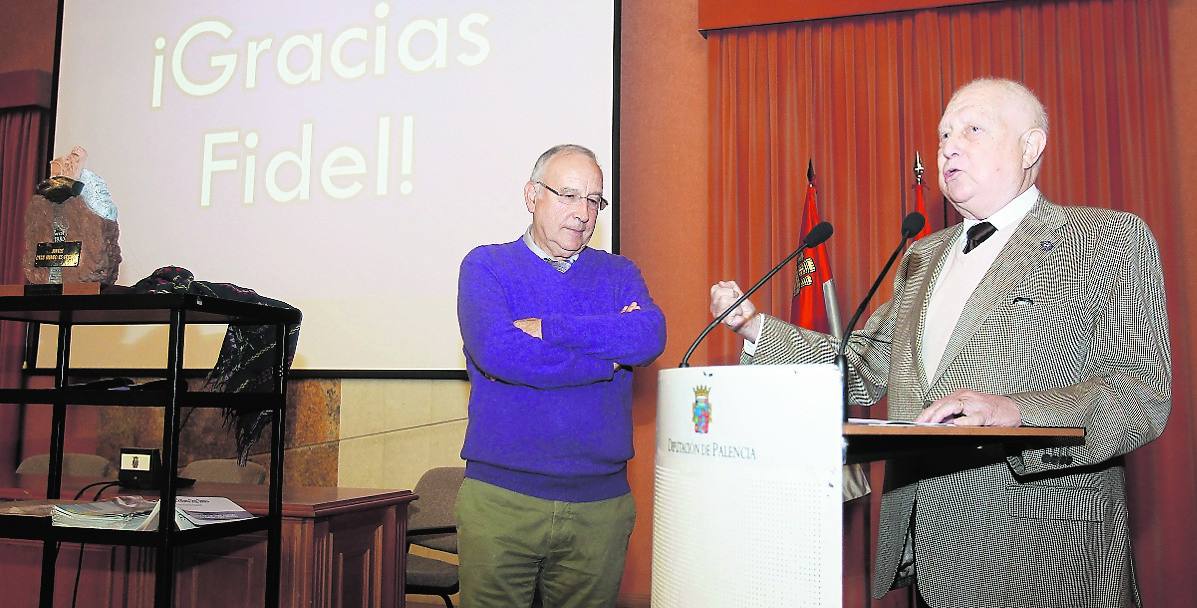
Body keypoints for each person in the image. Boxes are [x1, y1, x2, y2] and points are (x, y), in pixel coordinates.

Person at [709, 78, 1171, 608]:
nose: (949, 145)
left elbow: (1141, 392)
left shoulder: (1105, 238)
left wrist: (1017, 411)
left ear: (1031, 146)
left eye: (973, 129)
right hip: (928, 547)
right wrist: (756, 328)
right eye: (943, 134)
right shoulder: (921, 256)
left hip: (1046, 554)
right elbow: (861, 366)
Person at [456, 144, 667, 607]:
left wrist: (550, 328)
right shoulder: (486, 265)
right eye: (569, 195)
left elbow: (648, 336)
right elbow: (501, 353)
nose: (583, 212)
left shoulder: (618, 272)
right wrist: (608, 356)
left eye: (594, 200)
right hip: (502, 498)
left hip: (600, 505)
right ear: (532, 195)